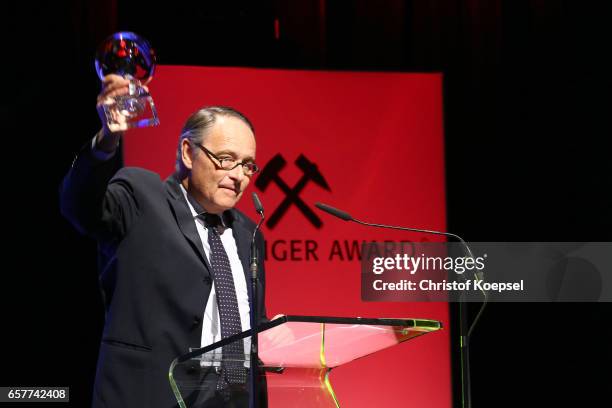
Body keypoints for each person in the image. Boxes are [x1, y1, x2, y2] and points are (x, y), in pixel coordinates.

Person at [60, 75, 267, 407]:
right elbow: (79, 206)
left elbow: (253, 325)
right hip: (151, 394)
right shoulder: (142, 196)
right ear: (188, 152)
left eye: (247, 165)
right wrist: (107, 139)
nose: (239, 174)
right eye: (226, 159)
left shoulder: (248, 233)